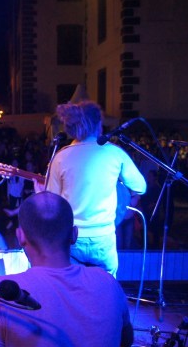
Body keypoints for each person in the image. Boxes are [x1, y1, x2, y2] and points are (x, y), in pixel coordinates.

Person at [0, 192, 133, 347]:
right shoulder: (108, 282)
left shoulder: (0, 293)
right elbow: (126, 340)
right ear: (74, 234)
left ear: (20, 236)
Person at [45, 101, 146, 276]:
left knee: (74, 286)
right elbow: (140, 187)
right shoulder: (114, 152)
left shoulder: (61, 157)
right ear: (98, 124)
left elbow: (51, 200)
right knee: (105, 287)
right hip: (103, 236)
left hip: (72, 237)